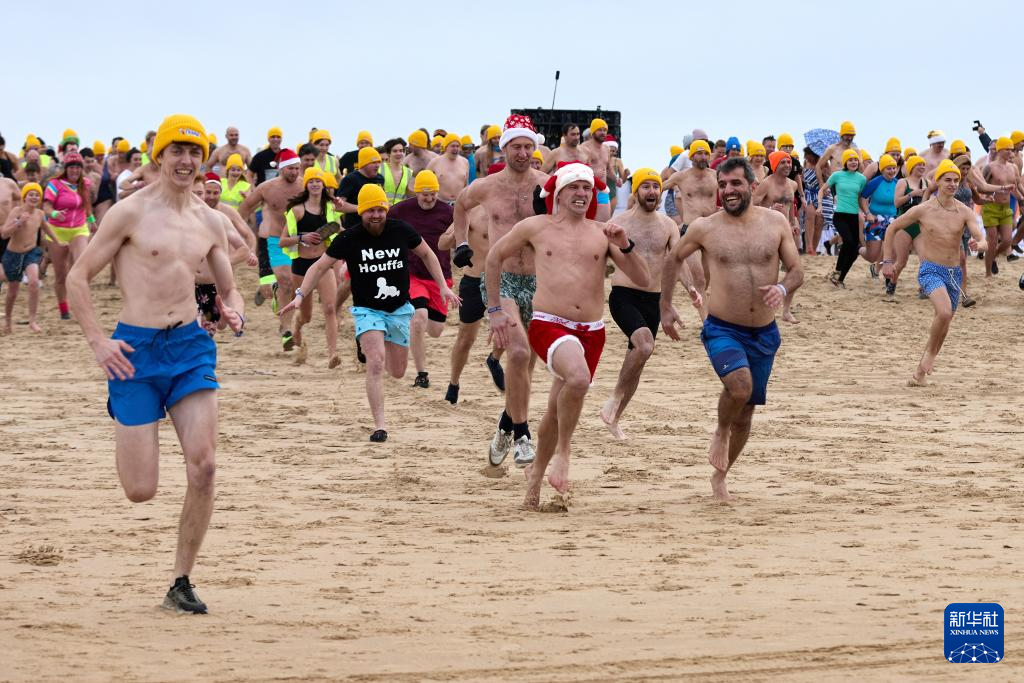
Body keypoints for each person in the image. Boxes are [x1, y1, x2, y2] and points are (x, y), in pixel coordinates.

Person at [65, 114, 245, 614]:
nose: (186, 161)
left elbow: (230, 288)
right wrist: (98, 342)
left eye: (194, 152)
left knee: (204, 466)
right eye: (177, 151)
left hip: (190, 347)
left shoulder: (210, 220)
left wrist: (233, 311)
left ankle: (181, 580)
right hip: (133, 354)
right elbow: (78, 277)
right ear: (159, 156)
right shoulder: (129, 213)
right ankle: (128, 413)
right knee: (140, 490)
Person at [485, 161, 650, 509]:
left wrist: (625, 244)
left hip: (592, 331)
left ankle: (534, 483)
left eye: (587, 188)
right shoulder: (536, 227)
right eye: (574, 187)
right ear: (558, 193)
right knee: (577, 379)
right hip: (549, 324)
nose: (582, 193)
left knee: (555, 410)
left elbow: (643, 278)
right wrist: (495, 309)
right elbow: (494, 257)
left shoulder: (602, 232)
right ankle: (564, 452)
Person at [661, 157, 804, 502]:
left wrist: (782, 287)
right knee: (739, 388)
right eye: (722, 185)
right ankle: (721, 430)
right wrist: (665, 306)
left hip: (764, 333)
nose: (728, 191)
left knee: (747, 409)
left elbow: (797, 270)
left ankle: (720, 476)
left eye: (735, 183)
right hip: (722, 328)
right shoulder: (705, 228)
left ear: (752, 186)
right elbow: (673, 258)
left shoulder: (775, 222)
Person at [280, 184, 458, 442]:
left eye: (380, 210)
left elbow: (428, 255)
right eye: (370, 211)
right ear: (361, 212)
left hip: (399, 310)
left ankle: (374, 341)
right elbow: (318, 267)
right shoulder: (349, 238)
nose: (376, 215)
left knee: (397, 371)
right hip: (367, 310)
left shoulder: (401, 230)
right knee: (375, 362)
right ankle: (380, 426)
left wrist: (442, 286)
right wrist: (300, 295)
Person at [452, 114, 549, 467]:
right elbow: (460, 205)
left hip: (539, 282)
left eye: (528, 147)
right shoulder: (487, 187)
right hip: (501, 278)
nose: (523, 153)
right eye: (516, 147)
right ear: (504, 148)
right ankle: (523, 436)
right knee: (518, 353)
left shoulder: (547, 185)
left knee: (526, 368)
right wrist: (461, 243)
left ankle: (505, 425)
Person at [600, 169, 691, 439]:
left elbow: (677, 261)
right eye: (645, 186)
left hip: (654, 299)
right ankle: (615, 396)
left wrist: (691, 289)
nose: (652, 191)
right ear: (636, 191)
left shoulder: (668, 225)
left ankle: (615, 419)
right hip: (624, 295)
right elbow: (599, 258)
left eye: (655, 186)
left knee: (639, 360)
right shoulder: (619, 222)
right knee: (644, 346)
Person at [882, 160, 987, 386]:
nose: (952, 184)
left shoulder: (964, 211)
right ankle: (929, 357)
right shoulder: (923, 209)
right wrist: (888, 261)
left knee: (944, 325)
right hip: (930, 269)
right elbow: (892, 228)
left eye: (956, 180)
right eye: (947, 180)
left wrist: (980, 245)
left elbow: (981, 238)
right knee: (945, 312)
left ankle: (919, 375)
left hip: (954, 274)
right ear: (937, 181)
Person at [389, 170, 454, 388]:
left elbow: (464, 230)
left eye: (433, 194)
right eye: (425, 194)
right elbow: (379, 225)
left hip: (439, 275)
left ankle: (403, 319)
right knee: (419, 318)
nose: (429, 198)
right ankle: (421, 374)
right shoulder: (401, 210)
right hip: (411, 274)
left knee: (435, 330)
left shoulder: (447, 211)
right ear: (416, 193)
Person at [439, 204, 505, 404]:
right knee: (466, 338)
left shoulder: (513, 210)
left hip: (503, 281)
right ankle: (454, 382)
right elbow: (442, 243)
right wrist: (456, 237)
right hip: (474, 280)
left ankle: (494, 359)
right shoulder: (472, 212)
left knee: (509, 328)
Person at [238, 148, 303, 349]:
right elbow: (245, 208)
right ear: (281, 168)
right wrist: (240, 233)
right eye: (291, 168)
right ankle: (286, 328)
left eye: (297, 168)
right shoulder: (266, 188)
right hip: (274, 241)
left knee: (291, 286)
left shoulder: (305, 186)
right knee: (285, 281)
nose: (295, 172)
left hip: (298, 241)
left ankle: (285, 325)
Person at [280, 167, 341, 367]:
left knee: (330, 308)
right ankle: (297, 327)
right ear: (306, 185)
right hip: (301, 266)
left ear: (324, 184)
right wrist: (302, 238)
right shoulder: (297, 210)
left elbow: (338, 228)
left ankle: (332, 354)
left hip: (323, 264)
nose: (315, 184)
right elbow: (282, 241)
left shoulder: (330, 208)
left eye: (318, 181)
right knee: (306, 315)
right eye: (311, 181)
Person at [661, 140, 717, 300]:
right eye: (699, 153)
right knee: (699, 279)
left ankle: (701, 303)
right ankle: (703, 312)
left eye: (706, 153)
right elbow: (660, 187)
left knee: (707, 278)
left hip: (711, 229)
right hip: (691, 229)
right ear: (691, 156)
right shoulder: (681, 176)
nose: (703, 157)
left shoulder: (716, 175)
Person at [42, 152, 94, 320]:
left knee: (81, 266)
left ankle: (81, 304)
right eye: (71, 167)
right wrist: (54, 213)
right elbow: (46, 207)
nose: (75, 170)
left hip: (79, 229)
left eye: (78, 167)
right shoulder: (55, 184)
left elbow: (87, 204)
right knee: (61, 274)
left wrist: (92, 221)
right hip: (57, 231)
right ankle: (64, 308)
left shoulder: (85, 183)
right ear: (66, 169)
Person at [753, 151, 801, 323]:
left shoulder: (793, 185)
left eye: (789, 162)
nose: (787, 165)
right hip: (767, 232)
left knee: (794, 271)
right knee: (768, 274)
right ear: (774, 165)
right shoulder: (766, 184)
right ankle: (762, 309)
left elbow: (791, 206)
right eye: (783, 162)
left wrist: (793, 222)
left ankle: (786, 311)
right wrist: (770, 210)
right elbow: (751, 205)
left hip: (785, 232)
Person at [2, 183, 56, 332]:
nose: (34, 197)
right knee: (13, 291)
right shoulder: (16, 211)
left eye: (37, 195)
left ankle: (32, 321)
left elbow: (47, 229)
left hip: (31, 252)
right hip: (13, 254)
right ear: (24, 197)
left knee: (33, 282)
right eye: (31, 194)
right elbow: (4, 233)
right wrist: (19, 222)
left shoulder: (40, 214)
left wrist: (58, 241)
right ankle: (8, 320)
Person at [887, 155, 929, 298]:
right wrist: (912, 194)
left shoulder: (926, 182)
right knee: (901, 262)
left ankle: (923, 288)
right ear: (911, 167)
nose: (922, 167)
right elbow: (896, 203)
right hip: (903, 225)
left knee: (925, 259)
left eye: (923, 165)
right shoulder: (902, 182)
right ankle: (892, 283)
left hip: (920, 226)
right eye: (919, 164)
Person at [980, 137, 1022, 276]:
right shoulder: (990, 167)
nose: (1011, 152)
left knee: (1007, 241)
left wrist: (1021, 199)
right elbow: (981, 187)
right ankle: (988, 273)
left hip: (1006, 208)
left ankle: (993, 257)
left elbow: (1015, 187)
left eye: (1012, 149)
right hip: (991, 207)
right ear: (1000, 150)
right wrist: (993, 191)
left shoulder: (1013, 167)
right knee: (992, 242)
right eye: (1008, 149)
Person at [824, 149, 866, 287]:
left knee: (854, 250)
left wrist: (866, 212)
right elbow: (824, 189)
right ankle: (837, 271)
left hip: (854, 216)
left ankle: (840, 279)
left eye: (855, 160)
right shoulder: (837, 175)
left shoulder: (861, 179)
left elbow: (861, 198)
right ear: (845, 162)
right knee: (848, 241)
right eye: (850, 160)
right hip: (840, 215)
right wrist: (822, 203)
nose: (853, 162)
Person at [858, 154, 900, 277]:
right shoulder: (875, 182)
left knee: (892, 251)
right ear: (882, 170)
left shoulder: (898, 183)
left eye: (894, 168)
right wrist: (868, 213)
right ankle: (858, 249)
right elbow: (862, 198)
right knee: (872, 256)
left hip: (892, 219)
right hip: (875, 220)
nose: (892, 171)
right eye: (888, 168)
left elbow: (901, 200)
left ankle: (883, 274)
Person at [579, 118, 614, 220]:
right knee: (586, 223)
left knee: (604, 223)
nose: (603, 133)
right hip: (587, 191)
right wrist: (593, 173)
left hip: (602, 190)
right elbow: (578, 169)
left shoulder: (607, 148)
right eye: (600, 130)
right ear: (593, 131)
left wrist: (617, 179)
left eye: (605, 130)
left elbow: (608, 169)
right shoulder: (584, 147)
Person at [427, 133, 469, 203]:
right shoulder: (434, 162)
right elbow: (427, 184)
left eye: (457, 146)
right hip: (440, 202)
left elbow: (466, 185)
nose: (455, 149)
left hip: (459, 203)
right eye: (452, 146)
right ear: (446, 147)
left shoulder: (465, 162)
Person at [381, 138, 412, 205]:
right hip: (382, 208)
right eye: (395, 151)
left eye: (401, 151)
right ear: (388, 154)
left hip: (400, 209)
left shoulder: (409, 172)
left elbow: (410, 196)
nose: (399, 153)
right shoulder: (380, 168)